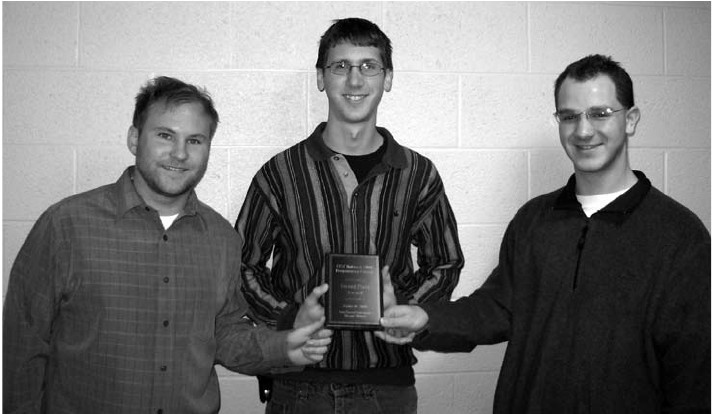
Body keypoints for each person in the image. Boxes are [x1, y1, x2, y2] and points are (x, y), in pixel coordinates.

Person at [378, 54, 711, 413]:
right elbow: (496, 308)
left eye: (600, 113)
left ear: (630, 120)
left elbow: (694, 373)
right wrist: (427, 319)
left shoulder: (680, 236)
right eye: (569, 116)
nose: (583, 131)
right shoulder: (534, 219)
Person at [3, 76, 333, 414]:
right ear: (134, 139)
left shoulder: (222, 239)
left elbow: (225, 335)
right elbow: (22, 348)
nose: (179, 153)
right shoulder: (65, 226)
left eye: (195, 140)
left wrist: (286, 347)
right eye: (165, 135)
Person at [235, 17, 464, 413]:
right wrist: (289, 316)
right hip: (298, 387)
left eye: (368, 66)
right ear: (322, 78)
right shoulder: (280, 173)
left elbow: (445, 261)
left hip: (387, 386)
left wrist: (406, 309)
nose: (354, 80)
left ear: (387, 78)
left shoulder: (417, 173)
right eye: (340, 66)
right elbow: (242, 265)